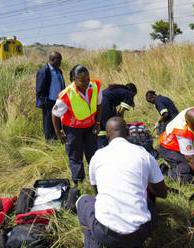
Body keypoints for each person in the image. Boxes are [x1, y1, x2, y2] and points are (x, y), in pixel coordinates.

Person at [77, 117, 167, 248]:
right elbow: (162, 193)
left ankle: (93, 244)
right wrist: (143, 185)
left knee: (83, 201)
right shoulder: (144, 154)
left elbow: (98, 193)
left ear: (107, 135)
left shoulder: (97, 156)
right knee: (147, 201)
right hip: (141, 232)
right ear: (128, 133)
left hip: (106, 233)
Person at [52, 65, 102, 186]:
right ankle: (79, 183)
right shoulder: (66, 94)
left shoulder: (95, 86)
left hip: (90, 127)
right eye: (82, 80)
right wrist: (59, 133)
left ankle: (96, 179)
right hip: (73, 130)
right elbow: (55, 114)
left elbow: (99, 105)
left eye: (87, 79)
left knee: (93, 154)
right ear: (74, 79)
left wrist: (98, 123)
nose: (86, 82)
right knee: (75, 156)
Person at [159, 107, 194, 183]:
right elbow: (190, 159)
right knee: (187, 177)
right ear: (187, 123)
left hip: (184, 149)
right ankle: (165, 170)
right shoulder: (182, 131)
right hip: (169, 148)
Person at [35, 51, 65, 140]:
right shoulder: (44, 71)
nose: (60, 62)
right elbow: (39, 89)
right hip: (48, 102)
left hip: (58, 101)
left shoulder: (59, 71)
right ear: (52, 59)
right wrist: (44, 102)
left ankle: (57, 139)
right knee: (48, 124)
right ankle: (49, 143)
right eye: (59, 60)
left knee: (58, 123)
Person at [98, 83, 137, 148]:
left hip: (98, 102)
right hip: (106, 103)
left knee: (102, 126)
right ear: (133, 92)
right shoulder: (129, 93)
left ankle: (100, 145)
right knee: (110, 126)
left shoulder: (117, 90)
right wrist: (122, 125)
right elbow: (120, 112)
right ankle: (111, 146)